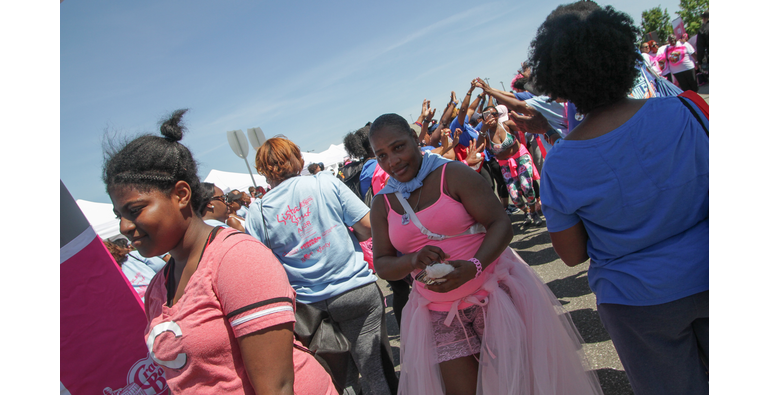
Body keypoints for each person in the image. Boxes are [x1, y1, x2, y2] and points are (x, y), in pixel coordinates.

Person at [528, 0, 709, 395]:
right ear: (624, 55)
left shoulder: (559, 163)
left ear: (556, 79)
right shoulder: (688, 110)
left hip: (637, 303)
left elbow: (572, 254)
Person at [368, 113, 603, 395]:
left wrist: (474, 266)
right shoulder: (382, 204)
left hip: (493, 298)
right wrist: (411, 261)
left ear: (415, 139)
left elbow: (500, 224)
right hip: (437, 314)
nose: (392, 161)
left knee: (519, 385)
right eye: (381, 155)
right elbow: (382, 263)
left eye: (398, 147)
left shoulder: (452, 174)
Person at [103, 110, 335, 395]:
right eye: (118, 216)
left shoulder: (236, 259)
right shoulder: (158, 288)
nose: (125, 226)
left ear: (181, 195)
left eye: (135, 210)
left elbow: (277, 387)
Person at [245, 136, 398, 395]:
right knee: (377, 372)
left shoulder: (257, 212)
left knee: (341, 381)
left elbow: (261, 266)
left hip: (308, 308)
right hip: (355, 291)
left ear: (264, 172)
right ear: (299, 160)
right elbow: (367, 226)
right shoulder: (324, 183)